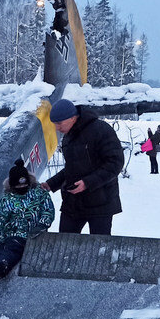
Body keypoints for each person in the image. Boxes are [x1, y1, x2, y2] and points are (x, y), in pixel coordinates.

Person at [42, 98, 124, 235]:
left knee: (99, 248)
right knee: (65, 245)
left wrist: (87, 183)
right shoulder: (68, 136)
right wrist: (51, 184)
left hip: (101, 203)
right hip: (73, 203)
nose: (57, 128)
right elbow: (72, 167)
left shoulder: (101, 130)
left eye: (59, 123)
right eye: (54, 124)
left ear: (73, 118)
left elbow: (115, 163)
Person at [0, 159, 55, 280]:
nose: (22, 187)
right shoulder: (7, 199)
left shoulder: (39, 193)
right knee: (12, 250)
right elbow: (0, 220)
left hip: (37, 235)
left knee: (40, 256)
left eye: (24, 185)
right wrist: (0, 239)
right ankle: (0, 265)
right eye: (19, 186)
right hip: (16, 235)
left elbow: (48, 210)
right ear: (12, 186)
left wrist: (42, 224)